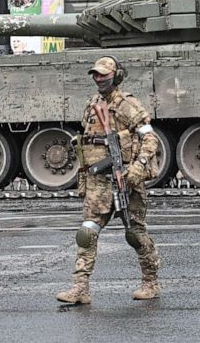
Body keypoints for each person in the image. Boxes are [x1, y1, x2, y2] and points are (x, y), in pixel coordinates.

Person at [56, 56, 162, 305]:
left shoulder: (127, 105)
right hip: (98, 181)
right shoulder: (92, 104)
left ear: (116, 76)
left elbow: (150, 140)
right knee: (86, 232)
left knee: (135, 233)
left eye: (103, 74)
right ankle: (80, 288)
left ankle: (151, 282)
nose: (98, 78)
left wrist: (137, 168)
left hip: (125, 177)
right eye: (95, 74)